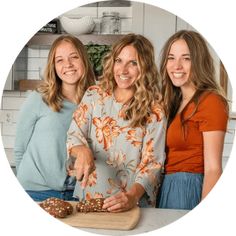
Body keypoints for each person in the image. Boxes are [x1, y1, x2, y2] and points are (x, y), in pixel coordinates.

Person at [66, 33, 166, 212]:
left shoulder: (155, 109)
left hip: (131, 203)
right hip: (90, 198)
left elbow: (152, 163)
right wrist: (82, 150)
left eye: (133, 63)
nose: (123, 70)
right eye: (119, 61)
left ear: (145, 67)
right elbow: (74, 135)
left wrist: (132, 197)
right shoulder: (93, 95)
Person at [14, 35, 95, 201]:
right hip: (35, 191)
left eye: (74, 57)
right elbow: (19, 149)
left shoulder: (96, 103)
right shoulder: (39, 98)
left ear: (83, 61)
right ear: (53, 66)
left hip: (79, 192)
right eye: (60, 60)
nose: (68, 65)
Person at [157, 30, 229, 210]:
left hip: (189, 188)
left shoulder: (211, 101)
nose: (177, 65)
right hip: (167, 187)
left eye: (186, 58)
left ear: (199, 62)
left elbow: (213, 169)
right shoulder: (174, 102)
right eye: (171, 58)